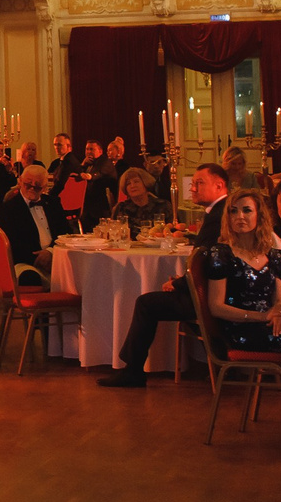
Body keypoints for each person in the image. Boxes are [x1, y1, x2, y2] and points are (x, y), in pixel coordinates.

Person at [96, 163, 229, 389]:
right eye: (193, 183)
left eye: (199, 183)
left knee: (146, 303)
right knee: (148, 302)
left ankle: (133, 372)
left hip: (210, 296)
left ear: (219, 185)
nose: (193, 188)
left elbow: (209, 262)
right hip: (209, 288)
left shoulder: (219, 215)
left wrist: (179, 284)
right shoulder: (220, 211)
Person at [198, 192, 281, 367]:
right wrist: (263, 316)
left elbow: (279, 300)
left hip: (269, 324)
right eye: (234, 211)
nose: (240, 216)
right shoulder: (222, 253)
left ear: (259, 216)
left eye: (247, 210)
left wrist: (280, 312)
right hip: (241, 329)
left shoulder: (272, 255)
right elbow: (216, 308)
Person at [0, 164, 63, 281]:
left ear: (45, 187)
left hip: (56, 258)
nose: (31, 188)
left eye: (37, 186)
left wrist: (50, 252)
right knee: (29, 278)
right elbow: (12, 244)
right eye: (27, 184)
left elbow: (64, 232)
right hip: (26, 262)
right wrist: (38, 259)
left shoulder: (53, 204)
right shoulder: (9, 208)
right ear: (20, 181)